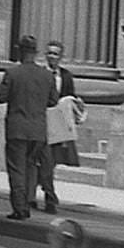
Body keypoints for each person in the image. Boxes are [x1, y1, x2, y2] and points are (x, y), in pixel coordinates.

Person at [0, 34, 54, 220]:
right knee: (31, 168)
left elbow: (0, 96)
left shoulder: (12, 73)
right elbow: (53, 100)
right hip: (38, 130)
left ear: (20, 51)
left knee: (17, 170)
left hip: (17, 129)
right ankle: (27, 201)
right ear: (35, 53)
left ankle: (20, 208)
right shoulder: (47, 75)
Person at [38, 39, 85, 212]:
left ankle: (39, 192)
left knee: (50, 161)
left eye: (55, 54)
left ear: (61, 57)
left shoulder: (66, 76)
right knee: (44, 160)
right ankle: (48, 195)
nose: (52, 56)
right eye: (49, 53)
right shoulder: (40, 73)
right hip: (42, 121)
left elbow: (70, 97)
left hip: (58, 123)